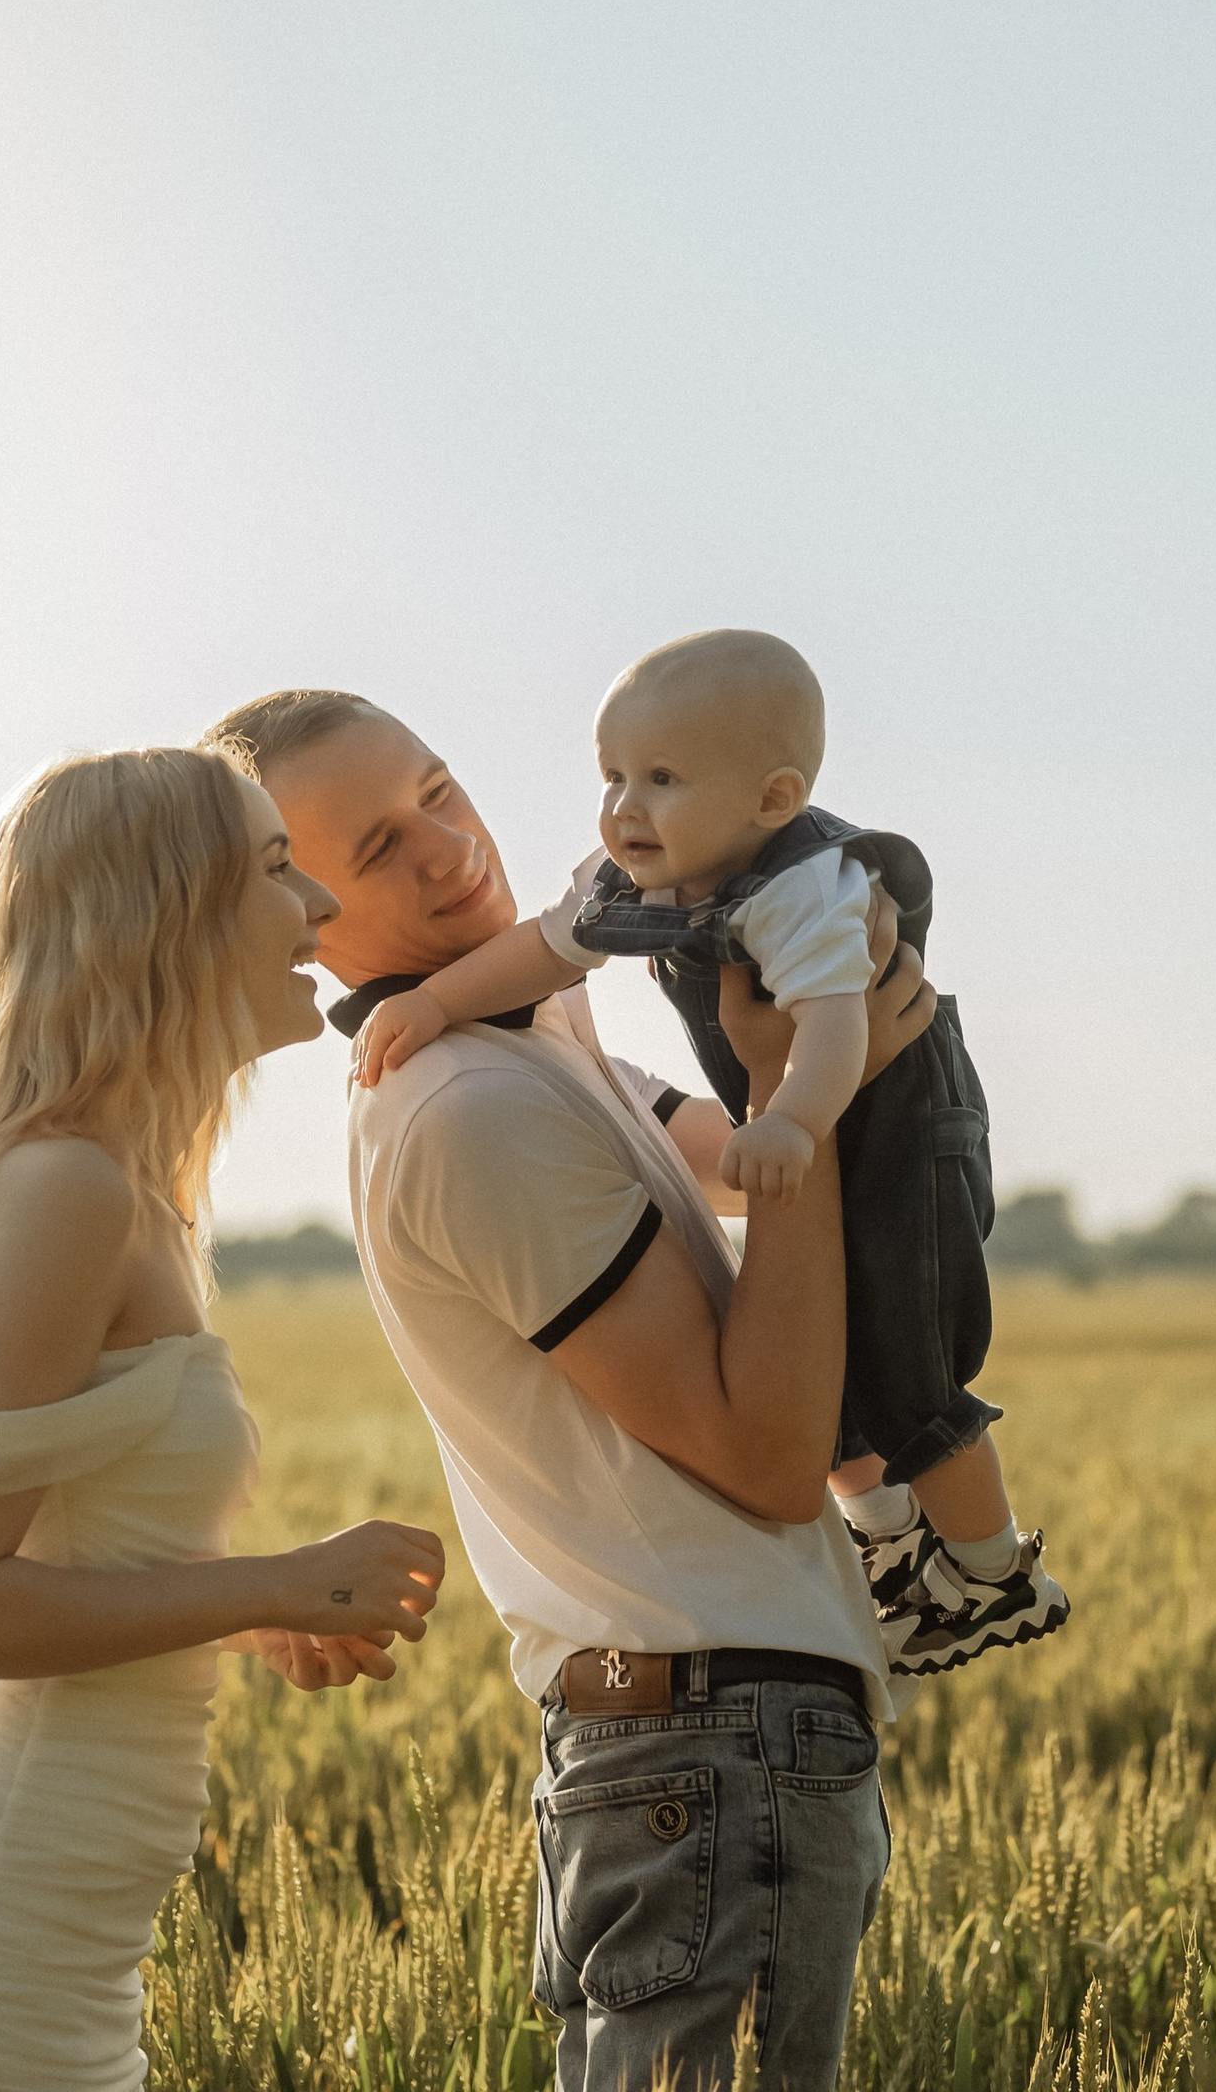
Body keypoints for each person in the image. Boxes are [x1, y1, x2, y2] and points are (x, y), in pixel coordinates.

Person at [206, 686, 937, 2092]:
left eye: (436, 788)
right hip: (712, 1742)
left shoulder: (529, 1042)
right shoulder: (472, 1111)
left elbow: (725, 1160)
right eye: (374, 850)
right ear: (305, 907)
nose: (446, 846)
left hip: (697, 1749)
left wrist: (829, 1048)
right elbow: (767, 1455)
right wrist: (803, 1105)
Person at [0, 747, 448, 2092]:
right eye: (275, 868)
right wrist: (282, 1577)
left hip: (52, 1932)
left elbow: (71, 1548)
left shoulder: (123, 1189)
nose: (320, 906)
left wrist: (242, 1602)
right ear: (165, 908)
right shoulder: (67, 1192)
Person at [347, 629, 1068, 1677]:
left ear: (772, 799)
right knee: (823, 1342)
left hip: (897, 1124)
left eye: (662, 780)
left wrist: (791, 1115)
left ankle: (993, 1573)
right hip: (796, 1112)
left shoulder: (801, 890)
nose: (623, 808)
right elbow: (545, 946)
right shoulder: (623, 886)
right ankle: (892, 1548)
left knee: (904, 1354)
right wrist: (432, 1001)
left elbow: (833, 1024)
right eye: (612, 775)